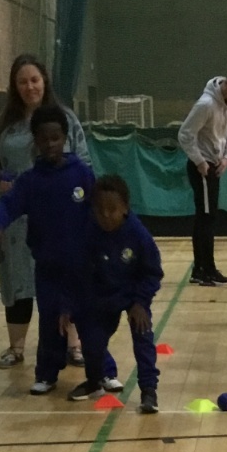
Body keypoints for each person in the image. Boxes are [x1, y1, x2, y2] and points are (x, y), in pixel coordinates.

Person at [0, 105, 121, 398]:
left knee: (90, 324)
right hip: (48, 269)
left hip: (83, 269)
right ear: (36, 141)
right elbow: (8, 204)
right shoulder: (30, 182)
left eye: (55, 138)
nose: (50, 144)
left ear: (65, 138)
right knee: (50, 322)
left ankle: (104, 372)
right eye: (44, 139)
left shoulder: (81, 174)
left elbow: (102, 209)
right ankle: (46, 374)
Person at [0, 54, 90, 371]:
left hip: (59, 215)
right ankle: (16, 347)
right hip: (16, 221)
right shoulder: (4, 126)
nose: (29, 86)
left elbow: (85, 162)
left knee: (66, 280)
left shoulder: (66, 118)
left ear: (44, 81)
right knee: (17, 283)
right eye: (22, 81)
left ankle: (74, 345)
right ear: (14, 86)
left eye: (34, 80)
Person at [69, 175, 164, 414]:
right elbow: (78, 272)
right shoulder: (88, 232)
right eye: (100, 210)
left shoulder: (138, 235)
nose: (106, 215)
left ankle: (149, 390)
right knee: (92, 341)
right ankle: (94, 381)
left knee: (143, 335)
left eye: (112, 210)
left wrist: (140, 302)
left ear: (125, 208)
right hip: (102, 294)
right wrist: (69, 305)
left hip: (134, 294)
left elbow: (153, 272)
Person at [178, 70, 227, 286]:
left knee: (207, 217)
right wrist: (199, 161)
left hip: (215, 164)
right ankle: (204, 269)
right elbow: (185, 134)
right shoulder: (206, 104)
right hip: (202, 167)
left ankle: (202, 269)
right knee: (206, 218)